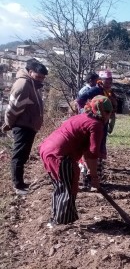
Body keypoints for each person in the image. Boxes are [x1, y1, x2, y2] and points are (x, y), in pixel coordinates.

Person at [39, 96, 113, 227]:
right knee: (67, 188)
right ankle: (61, 222)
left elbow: (85, 149)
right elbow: (92, 153)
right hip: (60, 155)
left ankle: (56, 219)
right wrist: (94, 176)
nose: (109, 116)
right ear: (105, 113)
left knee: (60, 186)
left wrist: (90, 171)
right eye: (109, 113)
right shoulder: (96, 125)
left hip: (48, 149)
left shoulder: (82, 117)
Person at [2, 59, 48, 195]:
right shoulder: (23, 85)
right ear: (30, 72)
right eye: (38, 76)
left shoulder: (32, 83)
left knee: (23, 154)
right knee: (19, 155)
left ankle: (20, 182)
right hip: (22, 125)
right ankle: (18, 186)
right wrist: (9, 124)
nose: (40, 79)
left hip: (28, 125)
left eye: (42, 77)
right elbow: (13, 109)